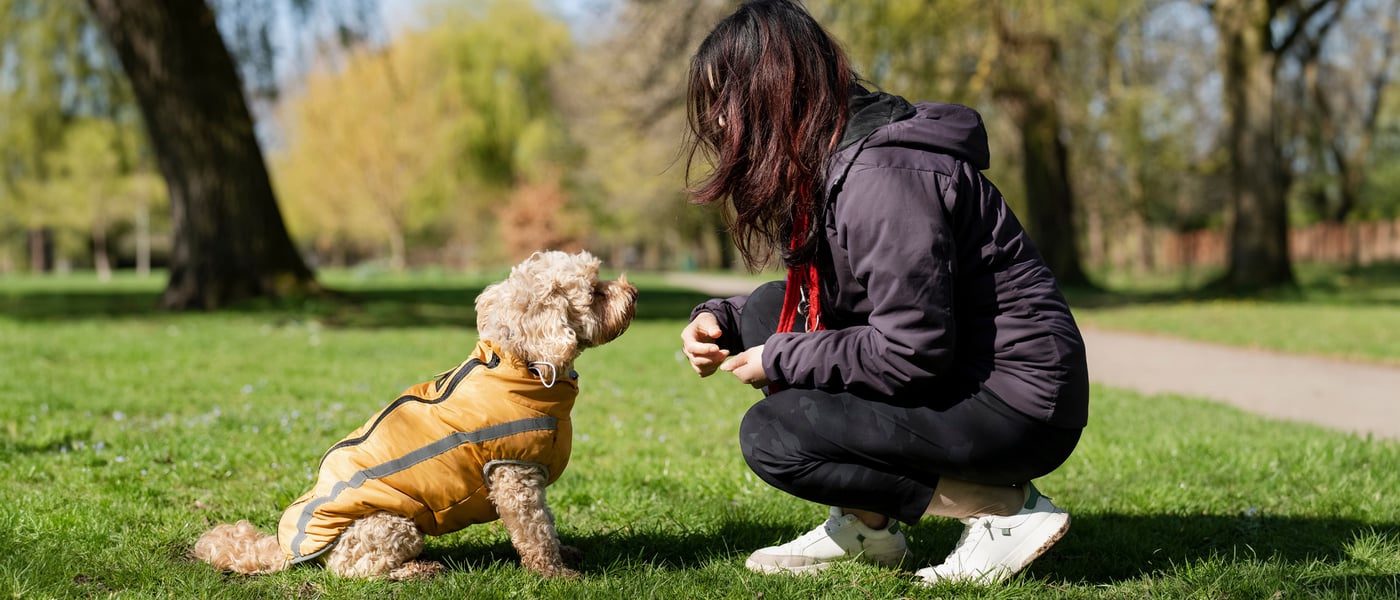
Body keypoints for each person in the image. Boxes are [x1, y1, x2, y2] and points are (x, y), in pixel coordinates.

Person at [677, 0, 1090, 585]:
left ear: (772, 91)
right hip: (966, 376)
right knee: (767, 312)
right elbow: (834, 297)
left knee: (775, 436)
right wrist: (719, 317)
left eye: (727, 101)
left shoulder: (882, 179)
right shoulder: (841, 159)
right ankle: (869, 527)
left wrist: (780, 356)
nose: (719, 123)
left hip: (1016, 404)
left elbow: (910, 352)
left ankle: (1003, 512)